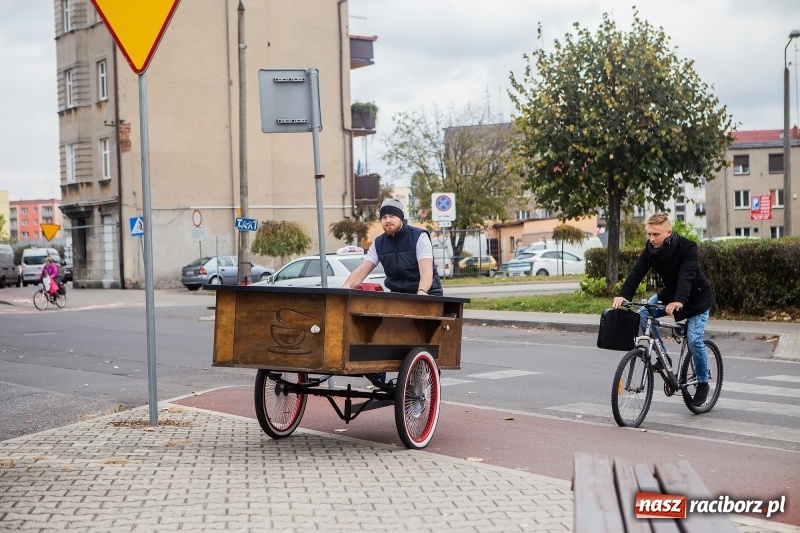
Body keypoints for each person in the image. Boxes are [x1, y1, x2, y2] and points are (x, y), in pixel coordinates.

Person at [612, 213, 714, 407]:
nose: (651, 238)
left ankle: (702, 383)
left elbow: (687, 275)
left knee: (693, 340)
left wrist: (678, 301)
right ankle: (664, 357)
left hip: (696, 299)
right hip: (671, 296)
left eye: (656, 234)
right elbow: (637, 271)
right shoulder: (650, 249)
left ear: (668, 232)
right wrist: (624, 295)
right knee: (643, 314)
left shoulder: (688, 247)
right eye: (649, 234)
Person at [343, 198, 443, 296]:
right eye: (384, 217)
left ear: (401, 218)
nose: (388, 220)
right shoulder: (378, 243)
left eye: (392, 216)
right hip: (398, 296)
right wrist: (345, 287)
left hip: (427, 294)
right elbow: (361, 272)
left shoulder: (419, 237)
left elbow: (426, 272)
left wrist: (422, 291)